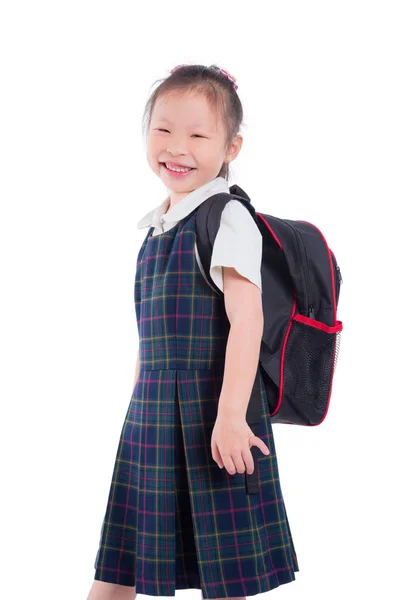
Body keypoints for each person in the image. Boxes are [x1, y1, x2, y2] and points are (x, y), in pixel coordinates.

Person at [87, 63, 299, 600]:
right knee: (121, 562)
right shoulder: (157, 227)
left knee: (222, 575)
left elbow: (246, 321)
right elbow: (149, 335)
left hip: (212, 409)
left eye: (198, 135)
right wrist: (138, 407)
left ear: (232, 148)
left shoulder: (225, 218)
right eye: (162, 130)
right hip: (154, 413)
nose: (176, 147)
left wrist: (230, 417)